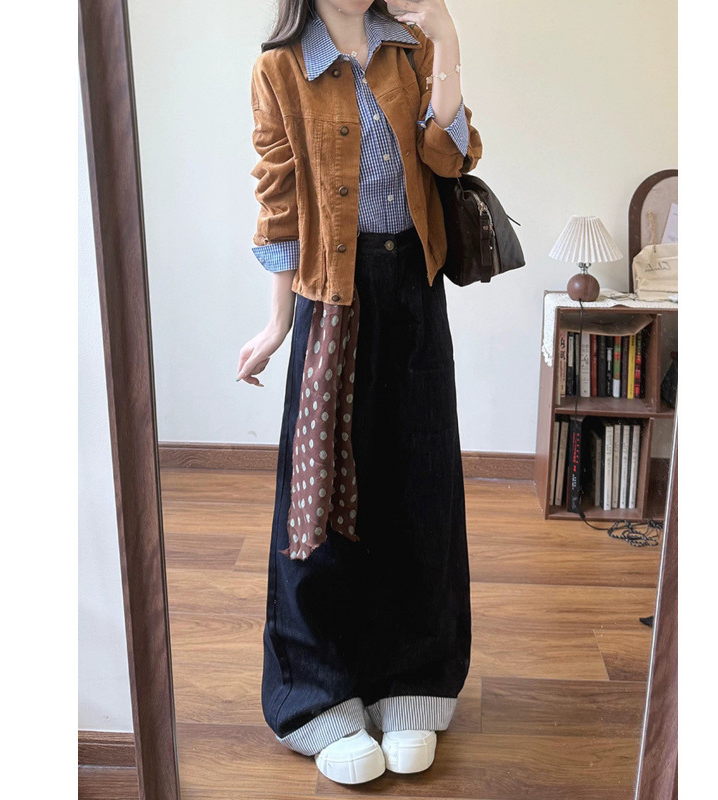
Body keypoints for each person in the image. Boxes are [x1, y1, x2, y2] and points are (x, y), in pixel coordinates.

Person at [236, 0, 482, 785]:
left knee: (418, 487)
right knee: (317, 505)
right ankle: (318, 695)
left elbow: (450, 157)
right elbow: (279, 205)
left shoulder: (408, 48)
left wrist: (447, 42)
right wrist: (277, 324)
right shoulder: (280, 68)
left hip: (414, 293)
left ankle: (413, 677)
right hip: (330, 301)